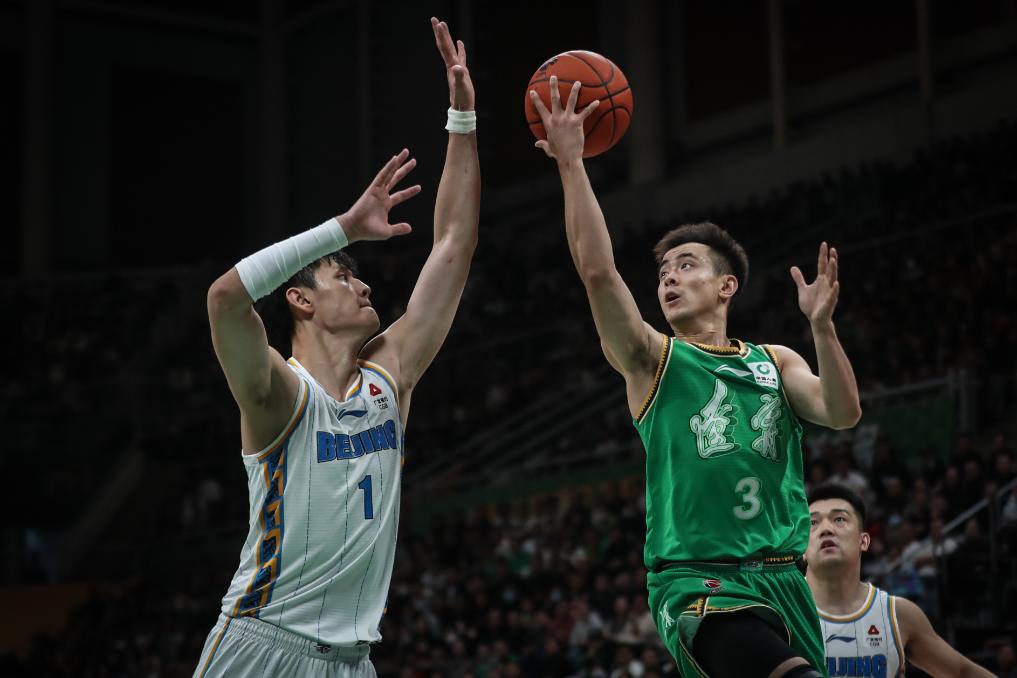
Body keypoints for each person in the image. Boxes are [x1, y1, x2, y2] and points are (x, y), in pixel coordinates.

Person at [530, 77, 862, 677]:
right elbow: (599, 273)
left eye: (686, 266)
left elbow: (842, 413)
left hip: (786, 580)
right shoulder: (652, 359)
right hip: (698, 583)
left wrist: (822, 328)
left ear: (726, 285)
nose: (669, 279)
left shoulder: (777, 360)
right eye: (663, 272)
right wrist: (572, 165)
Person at [194, 17, 479, 678]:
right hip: (261, 645)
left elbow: (454, 244)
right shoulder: (279, 394)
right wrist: (342, 229)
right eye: (341, 276)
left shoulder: (389, 378)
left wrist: (462, 119)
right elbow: (224, 298)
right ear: (300, 300)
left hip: (353, 663)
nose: (363, 283)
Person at [806, 484, 994, 677]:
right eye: (813, 522)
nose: (826, 529)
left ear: (864, 541)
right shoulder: (787, 612)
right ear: (801, 546)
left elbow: (962, 672)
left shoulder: (898, 614)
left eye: (839, 519)